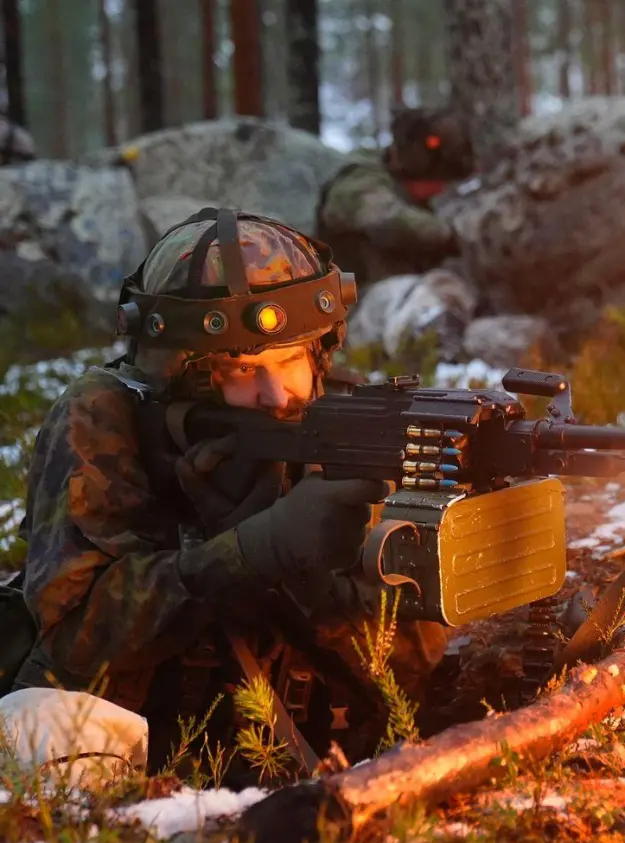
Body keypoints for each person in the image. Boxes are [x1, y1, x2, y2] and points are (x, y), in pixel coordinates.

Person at [1, 208, 448, 785]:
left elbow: (410, 669)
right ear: (180, 374)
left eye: (290, 361)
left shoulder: (340, 429)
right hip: (128, 759)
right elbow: (77, 638)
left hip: (312, 766)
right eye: (240, 369)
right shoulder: (105, 415)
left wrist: (316, 581)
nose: (274, 394)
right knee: (38, 727)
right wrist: (249, 551)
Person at [316, 107, 479, 364]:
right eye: (437, 182)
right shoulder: (357, 182)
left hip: (413, 308)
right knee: (423, 300)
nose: (439, 191)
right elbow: (385, 218)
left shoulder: (422, 196)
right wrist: (453, 232)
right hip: (352, 314)